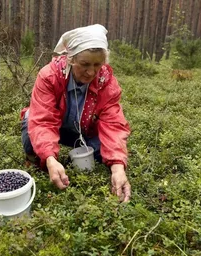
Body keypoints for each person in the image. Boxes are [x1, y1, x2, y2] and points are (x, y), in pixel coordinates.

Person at [20, 24, 131, 202]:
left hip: (83, 131)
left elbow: (113, 124)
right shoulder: (50, 76)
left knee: (105, 147)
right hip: (56, 128)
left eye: (97, 65)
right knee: (30, 122)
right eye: (85, 64)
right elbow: (43, 121)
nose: (91, 72)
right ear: (70, 59)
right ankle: (38, 158)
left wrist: (118, 168)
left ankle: (73, 159)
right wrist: (49, 158)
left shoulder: (106, 83)